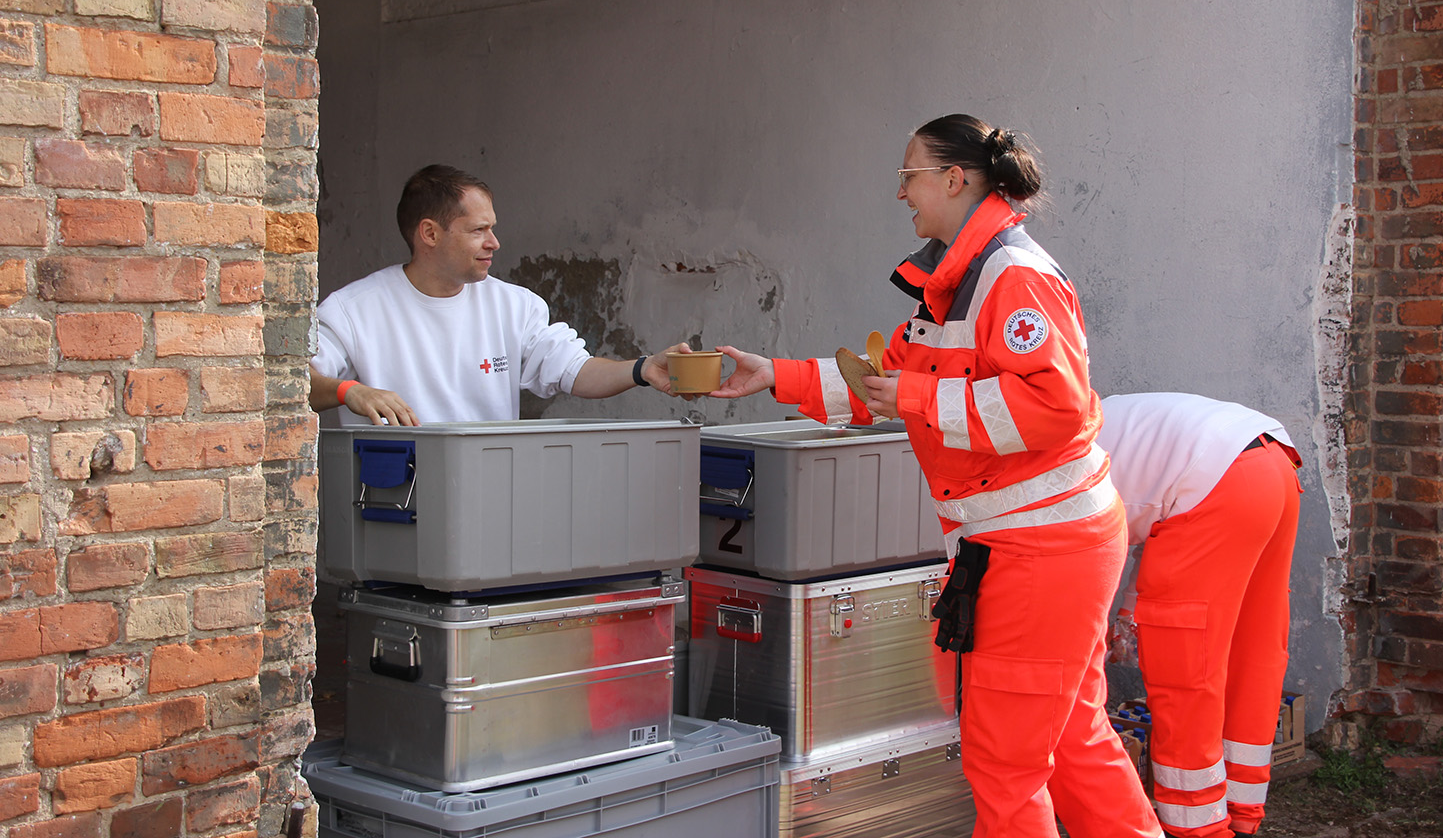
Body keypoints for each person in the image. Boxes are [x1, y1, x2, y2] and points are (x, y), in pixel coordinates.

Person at [711, 115, 1162, 838]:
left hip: (1041, 548)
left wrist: (917, 398)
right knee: (1073, 739)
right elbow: (883, 380)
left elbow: (1057, 406)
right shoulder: (956, 281)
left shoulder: (1010, 277)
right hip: (1033, 542)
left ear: (955, 179)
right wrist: (776, 376)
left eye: (907, 175)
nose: (901, 195)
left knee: (1004, 762)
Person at [309, 164, 687, 425]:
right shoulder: (352, 310)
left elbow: (575, 370)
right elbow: (294, 384)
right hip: (395, 505)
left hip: (492, 496)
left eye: (492, 228)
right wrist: (349, 391)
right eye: (478, 230)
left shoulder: (515, 306)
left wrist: (642, 368)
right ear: (429, 233)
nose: (494, 243)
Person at [1094, 392, 1302, 838]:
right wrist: (1131, 610)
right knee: (1255, 652)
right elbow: (1153, 525)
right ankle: (1242, 814)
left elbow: (1084, 558)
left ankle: (1197, 829)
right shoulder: (1095, 421)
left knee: (1186, 674)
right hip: (1272, 463)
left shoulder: (1047, 465)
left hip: (1212, 485)